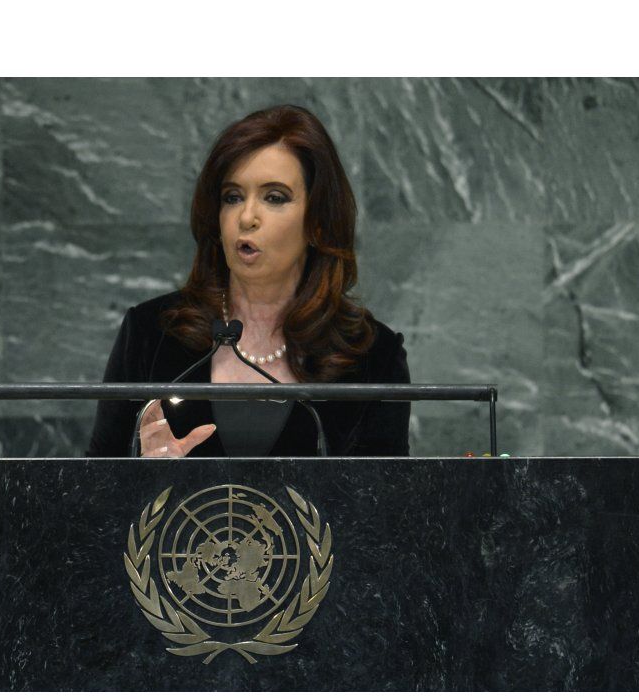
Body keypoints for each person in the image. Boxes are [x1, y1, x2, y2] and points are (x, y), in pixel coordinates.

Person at [86, 104, 410, 458]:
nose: (246, 217)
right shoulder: (151, 332)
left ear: (317, 223)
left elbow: (389, 492)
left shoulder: (372, 355)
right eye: (233, 197)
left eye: (274, 197)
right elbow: (93, 482)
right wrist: (139, 475)